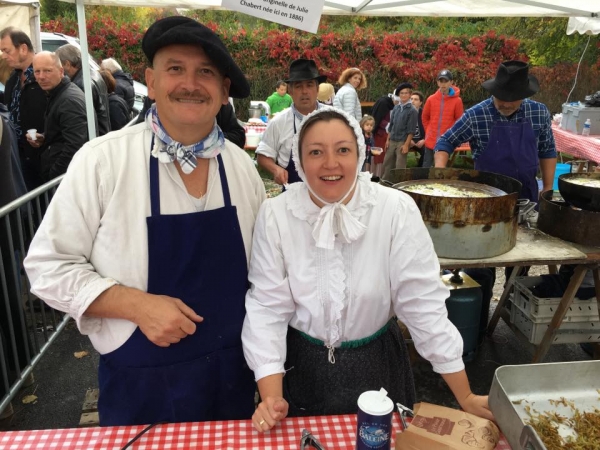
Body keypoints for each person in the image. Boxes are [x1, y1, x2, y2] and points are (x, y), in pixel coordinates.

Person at [24, 16, 266, 426]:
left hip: (234, 381)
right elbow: (47, 267)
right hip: (142, 389)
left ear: (224, 92)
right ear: (151, 83)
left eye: (205, 72)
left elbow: (263, 277)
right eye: (176, 69)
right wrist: (136, 305)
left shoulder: (241, 169)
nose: (190, 83)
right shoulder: (103, 161)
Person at [242, 108, 492, 432]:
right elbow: (267, 308)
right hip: (302, 367)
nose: (330, 163)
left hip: (379, 364)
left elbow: (422, 305)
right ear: (300, 161)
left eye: (343, 149)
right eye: (316, 152)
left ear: (360, 153)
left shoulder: (394, 209)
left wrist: (466, 395)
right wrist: (272, 398)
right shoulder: (276, 215)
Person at [433, 60, 557, 204]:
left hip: (526, 197)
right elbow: (446, 141)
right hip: (485, 197)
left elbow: (547, 149)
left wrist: (547, 187)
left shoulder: (539, 112)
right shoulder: (476, 114)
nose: (506, 104)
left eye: (513, 99)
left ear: (524, 95)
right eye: (502, 97)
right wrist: (439, 177)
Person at [256, 58, 326, 186]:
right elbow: (263, 155)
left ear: (317, 89)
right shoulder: (278, 122)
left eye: (309, 85)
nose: (304, 91)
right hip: (292, 194)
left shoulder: (333, 117)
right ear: (291, 91)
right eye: (299, 86)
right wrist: (275, 169)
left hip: (327, 191)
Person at [27, 51, 89, 182]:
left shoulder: (68, 100)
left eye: (47, 71)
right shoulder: (56, 93)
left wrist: (53, 176)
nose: (41, 77)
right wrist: (45, 137)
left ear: (61, 71)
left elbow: (75, 145)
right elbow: (63, 134)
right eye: (37, 72)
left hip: (65, 180)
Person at [0, 27, 47, 190]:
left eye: (6, 50)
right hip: (18, 158)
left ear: (23, 49)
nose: (4, 56)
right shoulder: (13, 79)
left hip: (42, 161)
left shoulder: (45, 77)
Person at [55, 44, 111, 136]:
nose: (58, 70)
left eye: (59, 66)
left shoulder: (80, 85)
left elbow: (81, 122)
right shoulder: (93, 74)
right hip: (102, 133)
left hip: (94, 138)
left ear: (67, 64)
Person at [422, 69, 463, 168]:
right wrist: (428, 131)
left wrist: (452, 136)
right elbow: (425, 117)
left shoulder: (457, 101)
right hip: (430, 141)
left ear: (451, 82)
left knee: (440, 169)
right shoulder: (431, 99)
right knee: (426, 167)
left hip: (446, 142)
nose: (443, 84)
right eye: (441, 81)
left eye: (446, 81)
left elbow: (460, 121)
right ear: (437, 83)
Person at [383, 83, 417, 180]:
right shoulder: (396, 108)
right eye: (401, 93)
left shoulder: (412, 110)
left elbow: (411, 130)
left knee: (399, 166)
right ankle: (385, 183)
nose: (403, 95)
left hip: (402, 141)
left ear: (410, 94)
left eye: (406, 93)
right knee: (387, 163)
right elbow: (391, 125)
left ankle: (399, 185)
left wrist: (406, 144)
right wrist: (387, 140)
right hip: (392, 139)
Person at [370, 88, 398, 179]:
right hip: (381, 134)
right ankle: (376, 176)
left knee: (386, 157)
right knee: (379, 156)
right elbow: (379, 119)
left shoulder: (393, 104)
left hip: (389, 134)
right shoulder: (384, 103)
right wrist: (389, 126)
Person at [410, 90, 426, 167]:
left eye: (415, 99)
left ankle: (419, 171)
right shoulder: (405, 113)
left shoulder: (424, 114)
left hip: (420, 139)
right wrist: (408, 140)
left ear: (420, 103)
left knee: (427, 151)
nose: (413, 101)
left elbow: (430, 128)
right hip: (407, 140)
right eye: (411, 99)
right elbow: (401, 129)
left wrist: (424, 140)